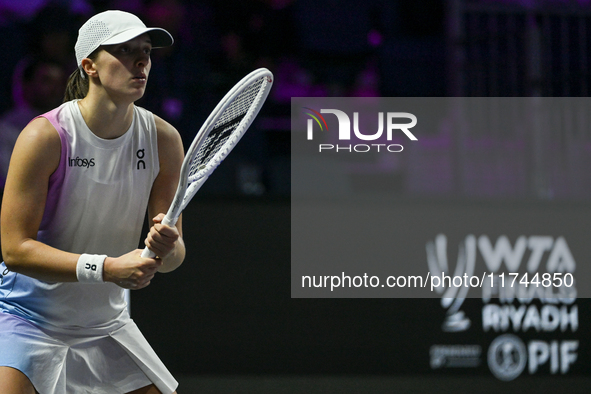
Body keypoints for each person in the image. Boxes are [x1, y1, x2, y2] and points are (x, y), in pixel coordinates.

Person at [0, 10, 185, 394]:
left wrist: (166, 249)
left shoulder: (164, 140)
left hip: (107, 324)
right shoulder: (44, 137)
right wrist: (107, 268)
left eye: (146, 51)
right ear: (90, 66)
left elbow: (173, 256)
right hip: (29, 318)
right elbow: (15, 250)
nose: (141, 62)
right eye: (125, 50)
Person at [0, 56, 67, 188]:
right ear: (27, 83)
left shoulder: (68, 125)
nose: (55, 88)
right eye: (47, 81)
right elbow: (10, 180)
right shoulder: (6, 129)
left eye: (59, 82)